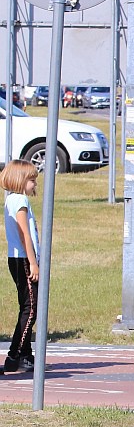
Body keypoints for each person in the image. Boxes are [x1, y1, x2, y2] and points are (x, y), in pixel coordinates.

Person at [2, 159, 39, 375]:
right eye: (32, 180)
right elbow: (24, 234)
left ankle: (26, 356)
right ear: (20, 180)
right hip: (23, 260)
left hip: (20, 259)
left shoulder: (14, 200)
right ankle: (14, 356)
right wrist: (33, 262)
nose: (35, 184)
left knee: (27, 306)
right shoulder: (19, 201)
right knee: (31, 309)